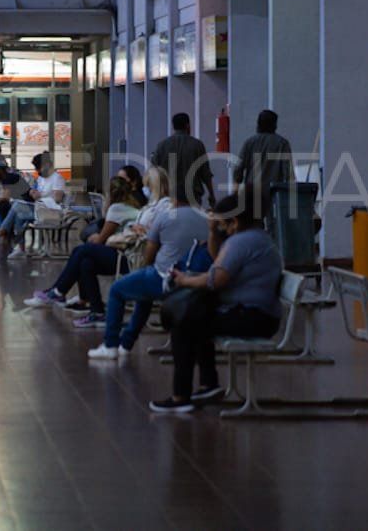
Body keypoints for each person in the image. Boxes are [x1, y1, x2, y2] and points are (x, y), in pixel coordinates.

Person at [149, 190, 283, 413]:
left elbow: (215, 279)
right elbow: (218, 261)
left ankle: (181, 396)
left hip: (253, 317)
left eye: (221, 224)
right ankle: (207, 384)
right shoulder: (253, 237)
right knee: (197, 318)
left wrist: (184, 281)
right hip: (259, 314)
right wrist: (213, 232)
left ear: (236, 221)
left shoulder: (242, 241)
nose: (220, 227)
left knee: (185, 325)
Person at [88, 178, 210, 359]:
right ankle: (126, 344)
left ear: (174, 198)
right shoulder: (207, 219)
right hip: (195, 279)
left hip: (165, 277)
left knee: (117, 290)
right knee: (143, 295)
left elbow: (150, 251)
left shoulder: (166, 216)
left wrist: (144, 269)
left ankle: (111, 344)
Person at [23, 177, 143, 319]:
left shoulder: (116, 209)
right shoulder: (132, 207)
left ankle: (58, 292)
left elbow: (100, 240)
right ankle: (94, 307)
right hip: (134, 258)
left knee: (82, 250)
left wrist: (95, 237)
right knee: (86, 262)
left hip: (126, 259)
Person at [233, 110, 294, 221]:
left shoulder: (249, 142)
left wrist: (235, 193)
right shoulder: (282, 143)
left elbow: (238, 169)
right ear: (275, 125)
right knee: (273, 227)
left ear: (258, 124)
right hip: (273, 194)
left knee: (254, 225)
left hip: (252, 193)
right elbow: (287, 172)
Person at [150, 113, 217, 208]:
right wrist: (212, 195)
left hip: (169, 195)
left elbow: (153, 171)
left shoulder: (162, 145)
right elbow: (205, 173)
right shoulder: (197, 145)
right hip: (192, 196)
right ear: (187, 125)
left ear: (173, 126)